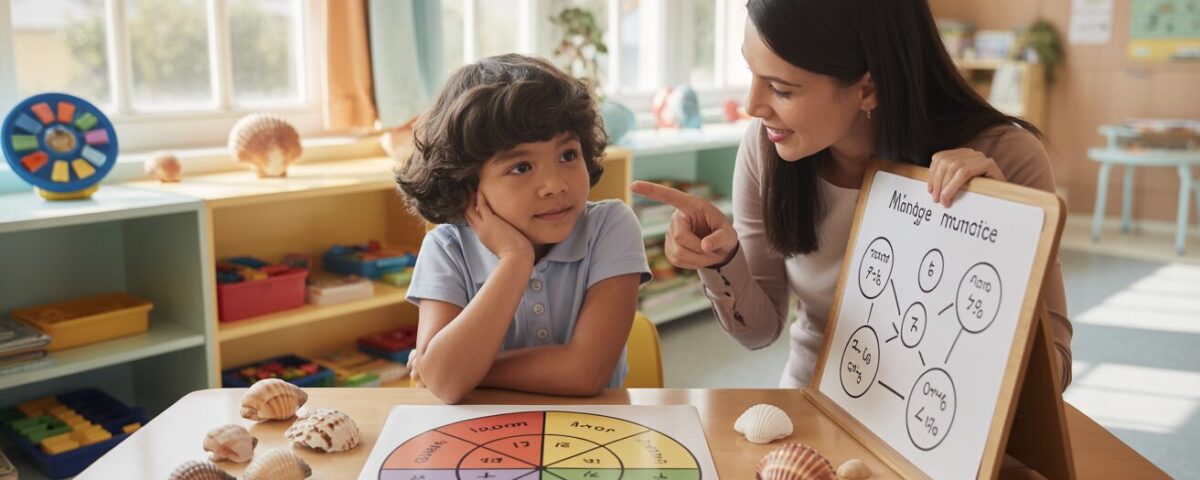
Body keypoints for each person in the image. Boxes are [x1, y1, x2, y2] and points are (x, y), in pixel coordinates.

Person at [632, 0, 1073, 391]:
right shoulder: (766, 148)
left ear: (868, 87)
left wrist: (998, 228)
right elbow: (760, 332)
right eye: (752, 73)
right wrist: (720, 260)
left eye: (781, 89)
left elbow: (1056, 370)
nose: (752, 105)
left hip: (942, 418)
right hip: (818, 401)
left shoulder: (1005, 157)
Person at [396, 54, 651, 404]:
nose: (554, 185)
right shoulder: (447, 248)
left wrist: (467, 370)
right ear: (469, 185)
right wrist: (515, 260)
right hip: (480, 438)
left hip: (596, 431)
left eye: (567, 155)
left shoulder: (611, 226)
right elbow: (444, 380)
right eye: (521, 167)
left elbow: (586, 372)